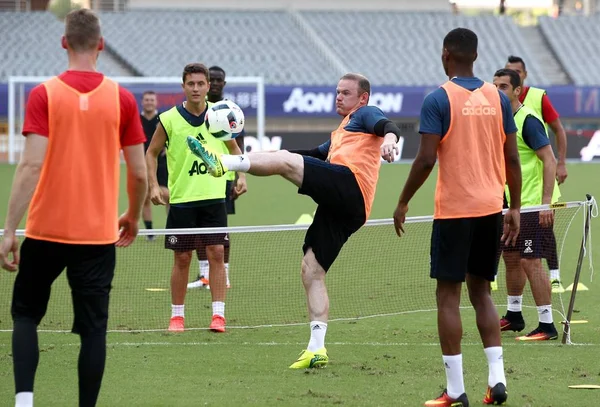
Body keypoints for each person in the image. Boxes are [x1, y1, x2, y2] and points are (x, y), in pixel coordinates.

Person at [188, 72, 401, 369]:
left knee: (286, 161)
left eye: (345, 93)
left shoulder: (366, 113)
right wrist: (274, 156)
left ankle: (221, 163)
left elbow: (388, 127)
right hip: (346, 207)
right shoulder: (342, 132)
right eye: (337, 92)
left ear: (362, 97)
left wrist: (390, 141)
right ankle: (317, 348)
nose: (338, 96)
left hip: (350, 187)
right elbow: (311, 155)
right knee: (311, 270)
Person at [0, 9, 147, 407]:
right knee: (93, 330)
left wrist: (10, 229)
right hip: (97, 236)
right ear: (101, 45)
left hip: (45, 231)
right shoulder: (121, 99)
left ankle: (24, 402)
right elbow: (138, 173)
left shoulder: (43, 94)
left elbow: (30, 164)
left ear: (64, 42)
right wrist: (133, 216)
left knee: (26, 316)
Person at [392, 28, 521, 407]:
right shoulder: (497, 98)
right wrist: (513, 206)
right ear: (476, 57)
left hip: (454, 211)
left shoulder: (438, 98)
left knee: (448, 297)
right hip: (491, 207)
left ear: (446, 54)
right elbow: (512, 158)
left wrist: (402, 201)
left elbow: (426, 158)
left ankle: (456, 390)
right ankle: (497, 381)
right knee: (480, 292)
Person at [145, 63, 247, 334]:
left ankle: (218, 316)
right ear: (183, 86)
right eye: (191, 84)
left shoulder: (218, 116)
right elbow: (151, 153)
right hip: (181, 200)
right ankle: (177, 317)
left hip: (214, 197)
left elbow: (234, 149)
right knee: (182, 258)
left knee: (216, 253)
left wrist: (242, 177)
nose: (196, 88)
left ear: (207, 86)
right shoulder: (168, 119)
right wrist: (154, 186)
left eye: (201, 84)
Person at [493, 69, 559, 341]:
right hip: (511, 205)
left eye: (504, 86)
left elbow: (550, 160)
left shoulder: (528, 121)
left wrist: (545, 204)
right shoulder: (499, 121)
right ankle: (514, 315)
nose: (498, 90)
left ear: (517, 91)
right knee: (511, 258)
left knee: (530, 262)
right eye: (494, 85)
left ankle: (547, 324)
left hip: (532, 205)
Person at [506, 55, 566, 291]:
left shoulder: (537, 98)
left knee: (543, 232)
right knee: (511, 249)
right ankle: (513, 308)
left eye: (517, 72)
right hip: (512, 187)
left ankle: (554, 273)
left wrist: (561, 163)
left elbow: (558, 130)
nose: (513, 74)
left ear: (524, 75)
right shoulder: (500, 107)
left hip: (538, 183)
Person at [188, 66, 245, 290]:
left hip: (224, 175)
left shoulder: (230, 110)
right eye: (212, 80)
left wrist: (241, 175)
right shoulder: (195, 109)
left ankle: (224, 275)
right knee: (197, 227)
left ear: (224, 83)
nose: (216, 83)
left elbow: (239, 144)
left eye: (220, 80)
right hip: (196, 175)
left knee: (220, 228)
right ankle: (204, 276)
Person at [140, 90, 169, 241]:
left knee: (168, 195)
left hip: (162, 164)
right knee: (145, 198)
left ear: (156, 102)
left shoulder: (163, 119)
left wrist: (167, 148)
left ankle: (173, 229)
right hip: (142, 164)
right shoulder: (137, 119)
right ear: (142, 102)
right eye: (147, 100)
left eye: (152, 100)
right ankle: (150, 232)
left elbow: (172, 137)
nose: (149, 102)